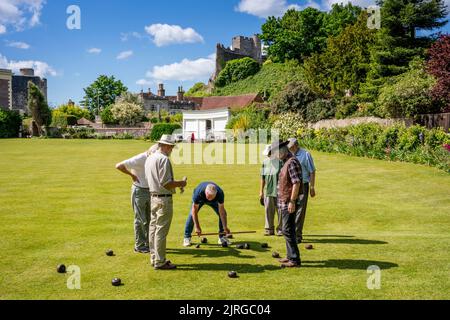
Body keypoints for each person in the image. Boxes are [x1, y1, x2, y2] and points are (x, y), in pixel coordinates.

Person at [145, 135, 187, 270]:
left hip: (153, 197)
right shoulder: (163, 159)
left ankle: (154, 258)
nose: (172, 149)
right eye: (171, 147)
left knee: (153, 229)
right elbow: (166, 183)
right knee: (160, 231)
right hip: (163, 199)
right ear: (166, 146)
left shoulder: (150, 157)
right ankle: (160, 261)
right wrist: (182, 183)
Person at [115, 144, 159, 253]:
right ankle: (139, 246)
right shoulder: (140, 158)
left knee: (150, 218)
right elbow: (119, 165)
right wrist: (132, 175)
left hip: (150, 191)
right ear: (150, 152)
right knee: (140, 219)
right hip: (139, 191)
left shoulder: (155, 159)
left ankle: (149, 243)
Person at [272, 140, 303, 268]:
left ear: (282, 151)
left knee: (288, 230)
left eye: (276, 153)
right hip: (284, 202)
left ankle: (295, 259)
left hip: (288, 203)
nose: (276, 155)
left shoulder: (291, 163)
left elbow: (296, 183)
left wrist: (292, 201)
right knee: (286, 229)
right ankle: (290, 256)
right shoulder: (286, 162)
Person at [183, 182, 232, 247]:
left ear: (215, 194)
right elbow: (194, 211)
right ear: (206, 192)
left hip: (215, 202)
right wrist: (197, 226)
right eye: (208, 197)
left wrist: (225, 227)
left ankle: (222, 237)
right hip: (201, 199)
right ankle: (187, 237)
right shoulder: (198, 193)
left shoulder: (220, 194)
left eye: (211, 197)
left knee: (223, 213)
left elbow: (222, 212)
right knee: (191, 214)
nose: (209, 199)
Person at [288, 138, 317, 243]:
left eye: (290, 147)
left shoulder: (306, 154)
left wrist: (312, 187)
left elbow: (312, 171)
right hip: (291, 186)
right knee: (290, 209)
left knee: (300, 210)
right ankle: (290, 233)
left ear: (295, 146)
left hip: (303, 185)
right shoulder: (289, 155)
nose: (289, 148)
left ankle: (297, 235)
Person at [259, 145, 283, 236]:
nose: (268, 155)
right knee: (268, 210)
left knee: (280, 210)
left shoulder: (281, 162)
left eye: (269, 153)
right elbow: (262, 177)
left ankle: (281, 229)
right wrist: (261, 191)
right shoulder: (265, 162)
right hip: (268, 190)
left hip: (279, 190)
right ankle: (269, 229)